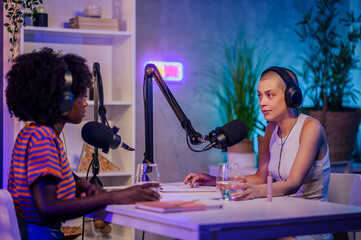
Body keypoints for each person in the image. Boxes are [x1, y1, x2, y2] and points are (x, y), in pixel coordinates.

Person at [6, 48, 160, 240]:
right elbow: (48, 208)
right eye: (80, 95)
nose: (86, 103)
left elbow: (53, 174)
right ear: (63, 101)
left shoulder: (30, 132)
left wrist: (82, 184)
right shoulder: (43, 139)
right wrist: (115, 197)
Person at [184, 66, 332, 239]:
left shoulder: (311, 128)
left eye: (270, 95)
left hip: (310, 226)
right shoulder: (271, 128)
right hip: (282, 218)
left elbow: (294, 182)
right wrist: (216, 181)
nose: (262, 102)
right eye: (260, 95)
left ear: (291, 96)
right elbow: (260, 177)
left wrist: (256, 191)